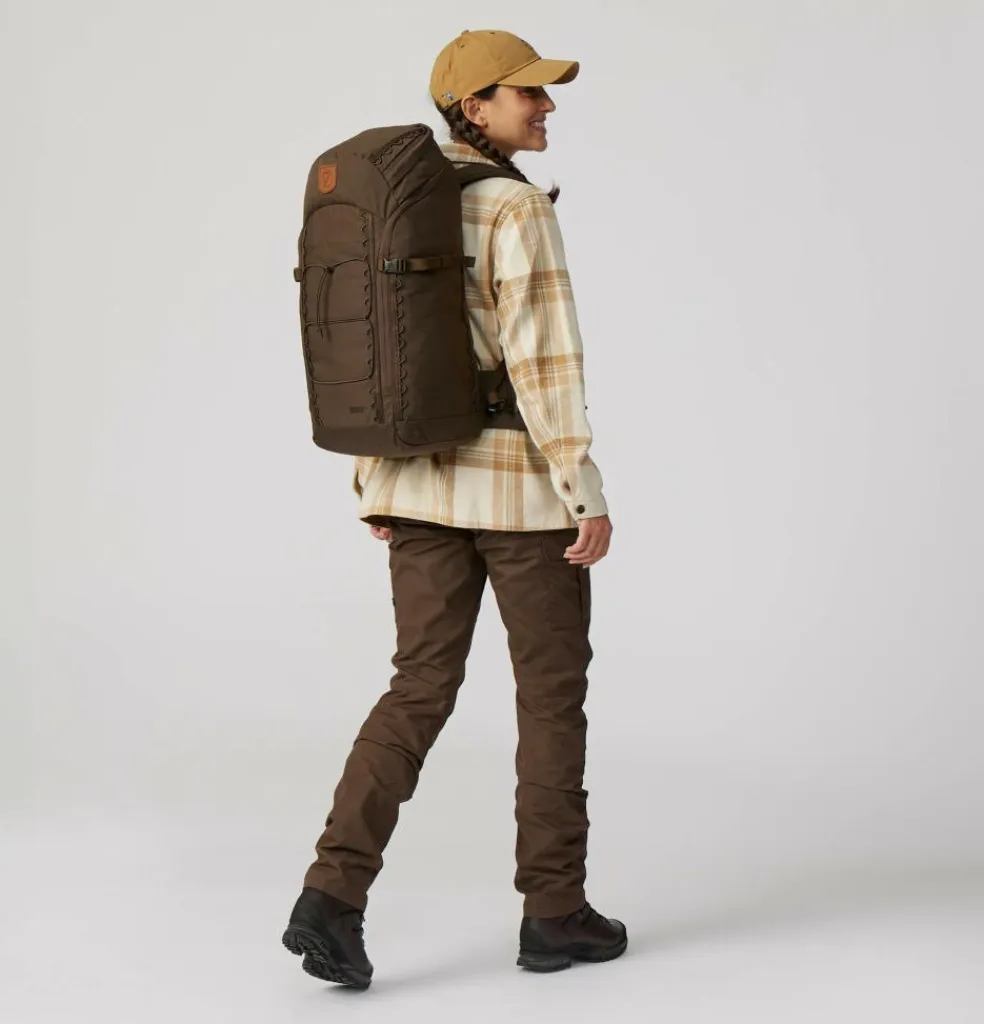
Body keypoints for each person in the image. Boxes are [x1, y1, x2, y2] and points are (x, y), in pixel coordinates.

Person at [282, 29, 626, 990]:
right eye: (528, 93)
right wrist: (583, 489)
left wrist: (375, 479)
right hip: (519, 490)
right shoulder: (514, 206)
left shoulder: (394, 204)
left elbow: (365, 350)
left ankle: (330, 898)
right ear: (474, 107)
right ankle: (554, 913)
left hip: (415, 483)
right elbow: (544, 363)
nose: (546, 107)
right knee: (549, 695)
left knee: (418, 686)